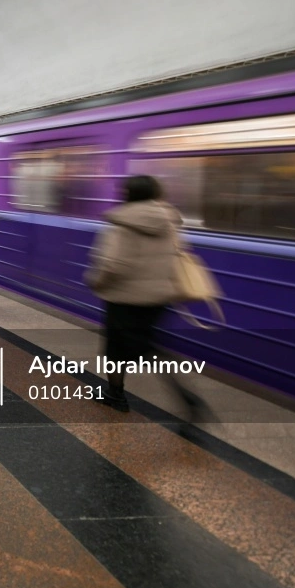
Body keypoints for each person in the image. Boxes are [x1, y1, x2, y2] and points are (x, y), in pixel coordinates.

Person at [85, 175, 208, 419]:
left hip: (124, 298)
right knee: (135, 346)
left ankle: (187, 399)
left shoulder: (121, 223)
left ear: (127, 194)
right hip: (158, 298)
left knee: (130, 349)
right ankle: (114, 393)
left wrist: (95, 281)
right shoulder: (169, 222)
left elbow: (111, 264)